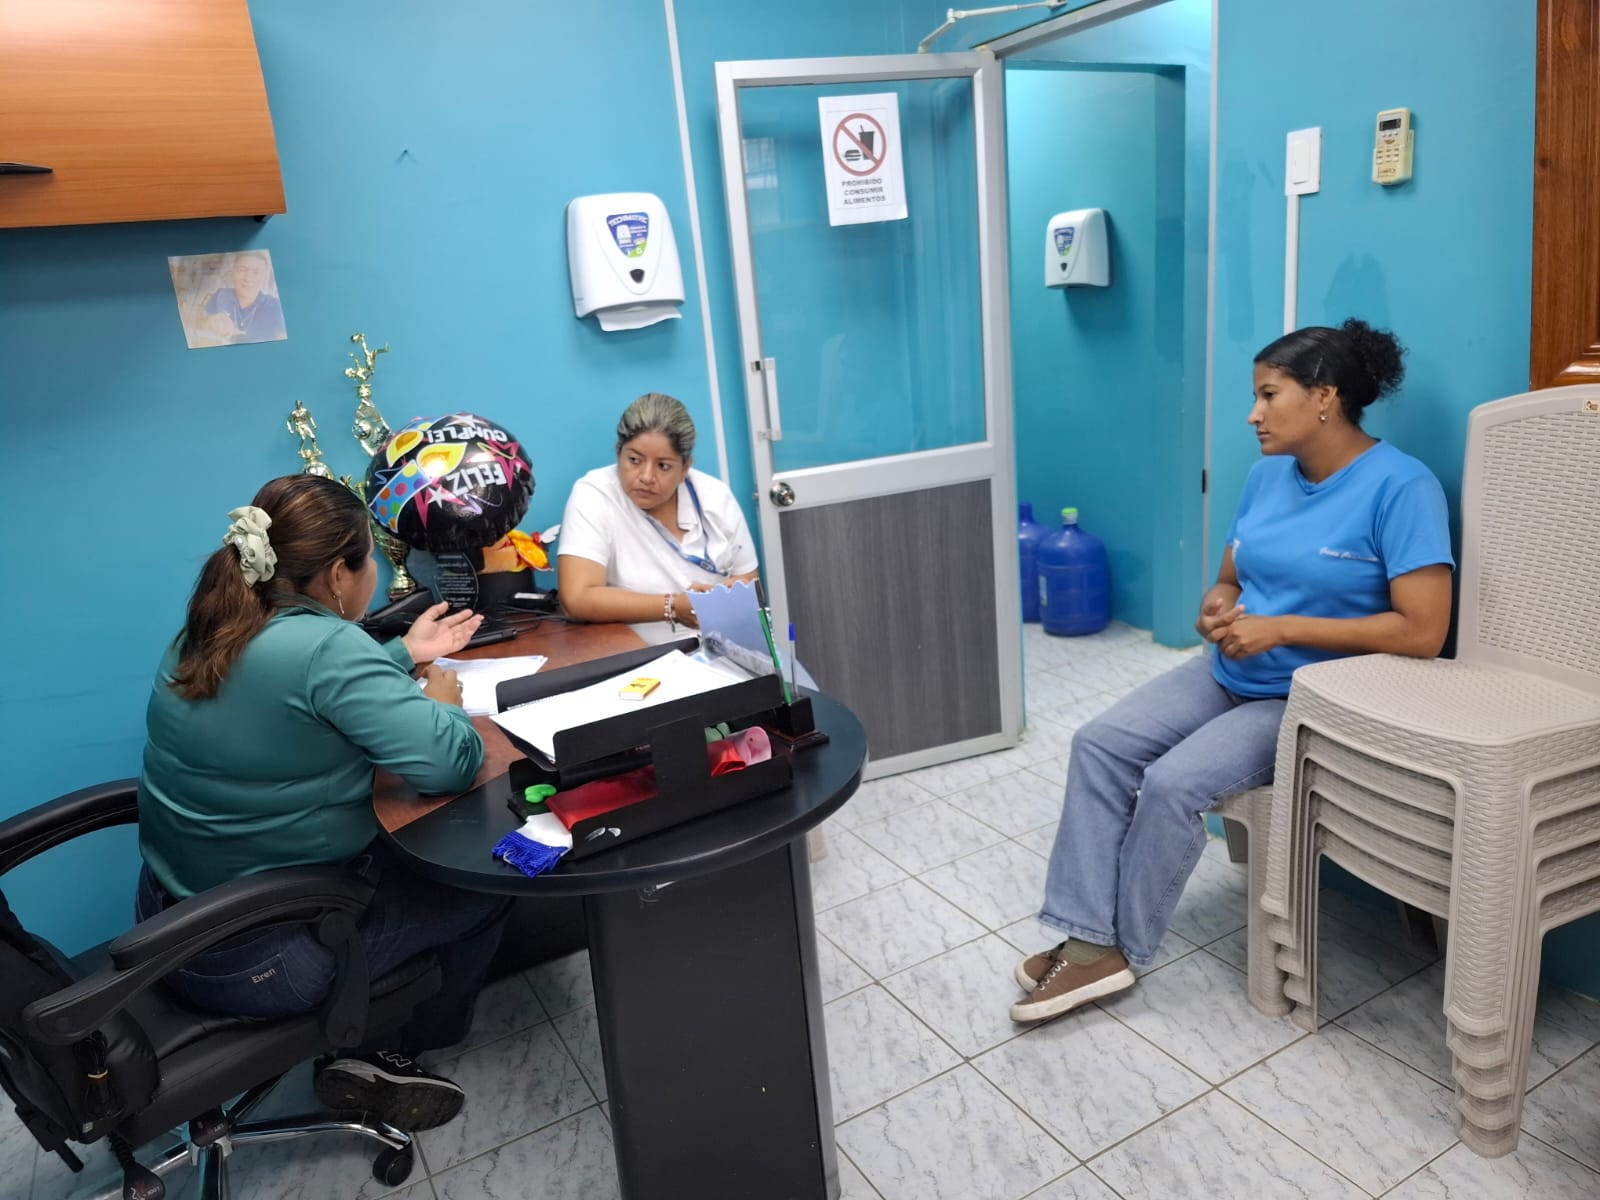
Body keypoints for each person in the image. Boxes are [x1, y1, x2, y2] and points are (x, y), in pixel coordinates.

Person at [1011, 318, 1454, 1024]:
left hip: (1310, 697)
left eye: (1268, 395)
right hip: (1230, 670)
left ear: (1324, 397)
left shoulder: (1402, 487)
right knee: (1098, 744)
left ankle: (1112, 952)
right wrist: (1216, 610)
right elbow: (1229, 579)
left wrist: (1283, 627)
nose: (1252, 414)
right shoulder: (1266, 476)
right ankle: (1088, 937)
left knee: (1172, 783)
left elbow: (1424, 632)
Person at [136, 473, 507, 1131]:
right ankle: (390, 1049)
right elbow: (449, 765)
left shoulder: (210, 625)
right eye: (372, 558)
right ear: (339, 573)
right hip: (263, 957)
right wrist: (443, 704)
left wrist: (400, 653)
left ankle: (372, 1029)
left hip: (169, 924)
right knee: (486, 886)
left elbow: (293, 694)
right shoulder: (327, 647)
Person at [558, 393, 760, 639]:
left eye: (663, 466)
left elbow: (749, 579)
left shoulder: (715, 496)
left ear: (685, 468)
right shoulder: (594, 494)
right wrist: (671, 606)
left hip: (723, 646)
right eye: (634, 460)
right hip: (641, 653)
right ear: (618, 452)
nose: (646, 477)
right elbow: (577, 598)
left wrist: (731, 596)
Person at [200, 252, 286, 343]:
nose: (248, 278)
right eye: (242, 270)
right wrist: (208, 322)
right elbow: (199, 323)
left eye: (256, 272)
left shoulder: (276, 306)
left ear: (264, 277)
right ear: (232, 273)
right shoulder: (220, 295)